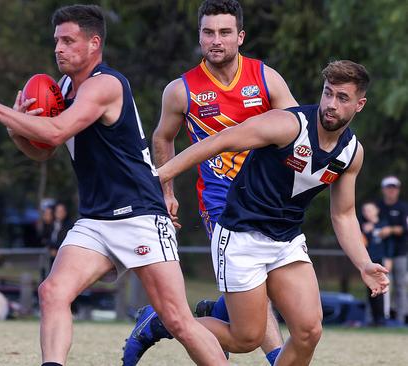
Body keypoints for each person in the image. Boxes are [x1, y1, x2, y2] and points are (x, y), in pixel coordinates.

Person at [0, 5, 228, 366]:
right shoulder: (64, 88)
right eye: (56, 40)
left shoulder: (105, 84)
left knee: (177, 319)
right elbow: (45, 150)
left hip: (139, 214)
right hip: (96, 219)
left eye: (68, 40)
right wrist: (15, 129)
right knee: (52, 291)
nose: (58, 48)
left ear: (93, 43)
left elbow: (57, 129)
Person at [137, 60, 389, 365]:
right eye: (328, 93)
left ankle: (169, 322)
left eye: (342, 98)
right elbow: (218, 142)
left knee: (309, 331)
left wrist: (363, 264)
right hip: (241, 238)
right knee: (245, 339)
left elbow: (344, 215)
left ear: (360, 104)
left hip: (286, 242)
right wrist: (158, 178)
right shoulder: (288, 125)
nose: (331, 104)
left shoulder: (351, 153)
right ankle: (161, 323)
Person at [123, 1, 295, 364]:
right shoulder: (181, 90)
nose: (216, 40)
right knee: (261, 291)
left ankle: (167, 321)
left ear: (240, 36)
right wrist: (167, 193)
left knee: (264, 289)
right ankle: (277, 358)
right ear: (200, 36)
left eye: (225, 32)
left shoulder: (266, 78)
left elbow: (298, 132)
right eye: (208, 32)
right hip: (220, 205)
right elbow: (162, 138)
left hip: (268, 202)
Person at [377, 176, 408, 324]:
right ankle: (377, 319)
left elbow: (405, 228)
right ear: (384, 190)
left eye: (394, 188)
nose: (391, 191)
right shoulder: (378, 207)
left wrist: (390, 230)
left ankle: (401, 319)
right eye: (388, 188)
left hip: (399, 253)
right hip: (380, 253)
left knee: (400, 285)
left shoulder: (403, 208)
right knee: (378, 285)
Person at [360, 201, 388, 325]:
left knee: (383, 289)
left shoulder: (384, 225)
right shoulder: (363, 227)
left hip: (381, 261)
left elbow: (389, 244)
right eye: (365, 210)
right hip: (368, 263)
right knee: (371, 290)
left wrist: (389, 260)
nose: (367, 213)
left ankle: (383, 317)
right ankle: (374, 318)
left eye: (370, 210)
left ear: (376, 210)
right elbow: (362, 244)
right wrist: (365, 232)